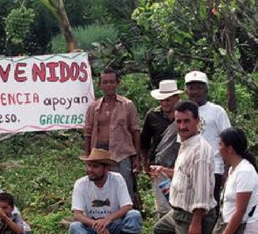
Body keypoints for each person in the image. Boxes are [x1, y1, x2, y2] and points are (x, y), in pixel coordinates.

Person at [151, 101, 218, 234]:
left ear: (197, 121)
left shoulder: (199, 151)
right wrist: (164, 171)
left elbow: (203, 191)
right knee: (162, 231)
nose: (182, 126)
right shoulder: (185, 144)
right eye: (178, 121)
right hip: (178, 212)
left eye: (187, 121)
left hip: (192, 215)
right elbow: (185, 175)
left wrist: (196, 222)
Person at [69, 148, 142, 234]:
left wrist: (107, 220)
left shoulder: (117, 179)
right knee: (75, 228)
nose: (90, 170)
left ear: (106, 168)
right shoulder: (80, 184)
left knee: (134, 216)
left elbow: (127, 206)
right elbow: (77, 214)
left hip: (114, 227)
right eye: (89, 165)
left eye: (95, 166)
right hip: (93, 229)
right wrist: (96, 224)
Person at [84, 67, 141, 209]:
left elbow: (135, 131)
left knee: (125, 187)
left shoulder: (127, 105)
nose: (108, 85)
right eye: (105, 82)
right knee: (100, 187)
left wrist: (136, 157)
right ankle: (104, 215)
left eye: (111, 82)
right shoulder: (94, 107)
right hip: (99, 154)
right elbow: (88, 132)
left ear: (117, 83)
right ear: (100, 85)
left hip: (122, 154)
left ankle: (129, 217)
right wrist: (88, 156)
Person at [184, 71, 231, 202]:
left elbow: (228, 141)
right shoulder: (183, 112)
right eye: (191, 88)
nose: (195, 92)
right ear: (186, 91)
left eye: (199, 87)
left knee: (211, 206)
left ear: (206, 89)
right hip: (189, 169)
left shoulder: (217, 111)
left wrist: (227, 169)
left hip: (213, 168)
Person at [140, 79, 182, 217]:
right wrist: (145, 163)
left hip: (180, 167)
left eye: (168, 100)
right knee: (163, 207)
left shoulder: (185, 116)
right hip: (159, 168)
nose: (165, 103)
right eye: (162, 100)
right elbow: (144, 142)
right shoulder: (152, 116)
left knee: (182, 204)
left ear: (176, 98)